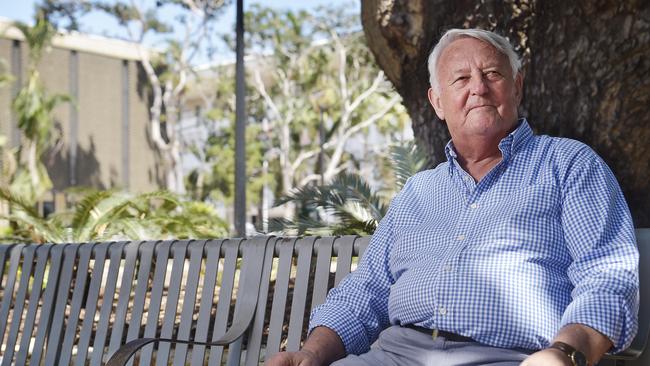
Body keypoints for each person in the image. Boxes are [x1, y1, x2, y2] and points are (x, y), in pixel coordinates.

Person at [265, 28, 639, 366]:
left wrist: (564, 354)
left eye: (492, 74)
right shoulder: (418, 190)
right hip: (393, 357)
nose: (478, 87)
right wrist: (311, 354)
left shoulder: (568, 164)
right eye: (461, 78)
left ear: (517, 87)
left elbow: (606, 275)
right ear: (438, 102)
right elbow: (367, 290)